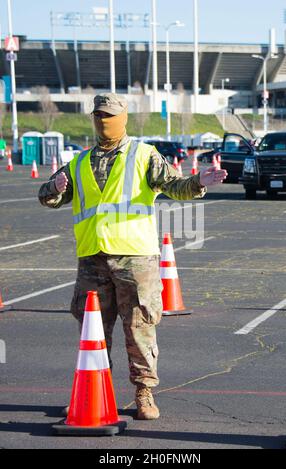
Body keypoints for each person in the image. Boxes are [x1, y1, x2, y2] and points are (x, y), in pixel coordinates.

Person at [38, 93, 227, 420]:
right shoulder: (80, 162)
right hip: (92, 257)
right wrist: (54, 187)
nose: (103, 121)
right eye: (98, 115)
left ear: (122, 117)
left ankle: (144, 393)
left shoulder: (143, 155)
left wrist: (199, 181)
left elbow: (175, 186)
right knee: (92, 329)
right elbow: (48, 196)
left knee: (139, 326)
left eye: (109, 115)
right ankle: (94, 391)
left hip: (135, 258)